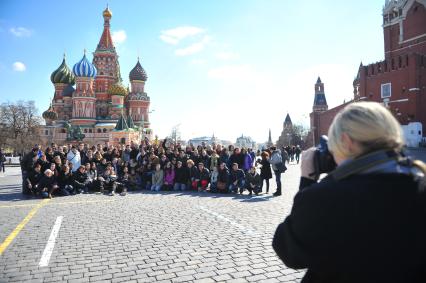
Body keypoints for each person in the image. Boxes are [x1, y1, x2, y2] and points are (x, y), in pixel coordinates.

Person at [272, 102, 426, 283]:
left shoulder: (326, 198)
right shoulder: (418, 183)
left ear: (346, 141)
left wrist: (307, 180)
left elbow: (288, 250)